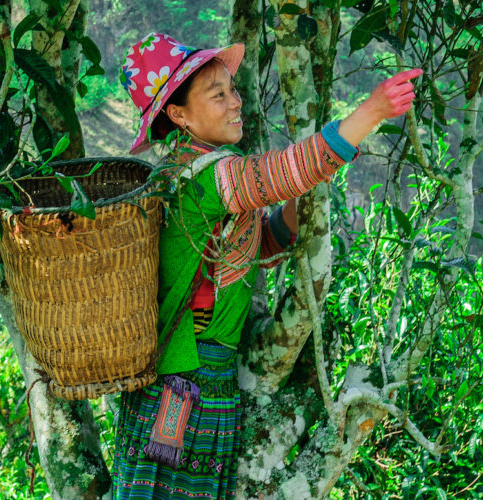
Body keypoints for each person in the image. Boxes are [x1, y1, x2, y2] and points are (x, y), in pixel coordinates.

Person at [112, 32, 421, 499]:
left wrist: (305, 204)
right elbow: (280, 172)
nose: (235, 102)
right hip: (185, 382)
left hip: (198, 381)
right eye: (218, 95)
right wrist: (371, 112)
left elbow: (262, 244)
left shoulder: (192, 172)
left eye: (232, 89)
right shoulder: (209, 176)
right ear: (179, 115)